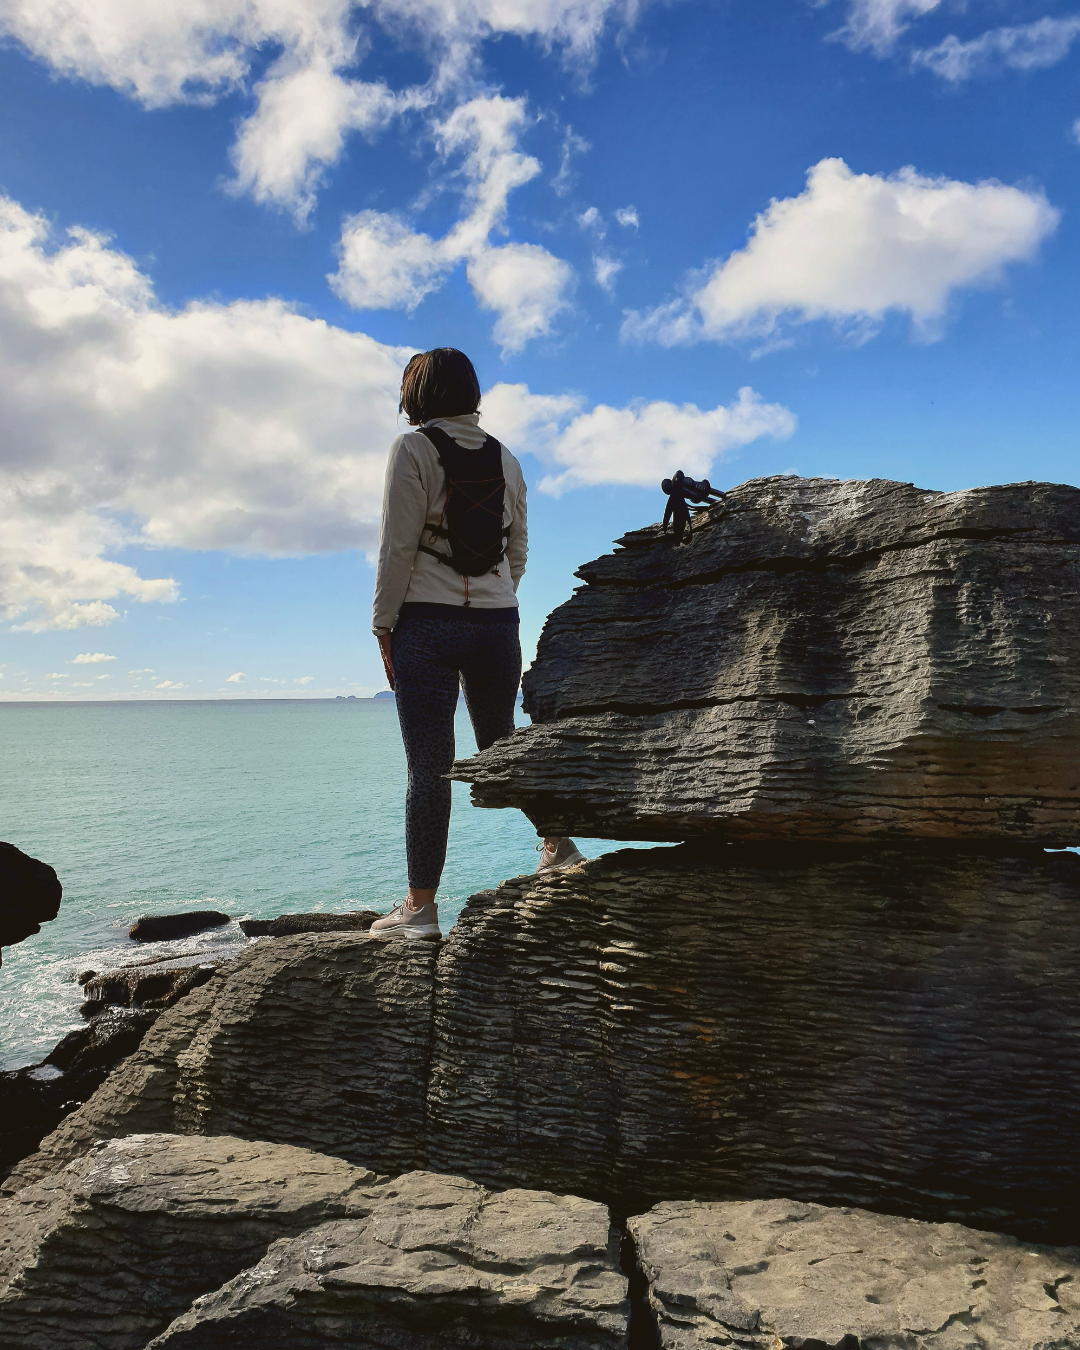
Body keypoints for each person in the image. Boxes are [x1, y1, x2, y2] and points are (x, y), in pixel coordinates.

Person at [369, 348, 584, 940]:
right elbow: (517, 552)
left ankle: (419, 909)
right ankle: (558, 846)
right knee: (501, 742)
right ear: (470, 392)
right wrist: (492, 600)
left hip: (426, 624)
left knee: (429, 767)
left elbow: (397, 546)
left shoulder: (411, 449)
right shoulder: (506, 458)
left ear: (417, 395)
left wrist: (384, 625)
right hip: (497, 623)